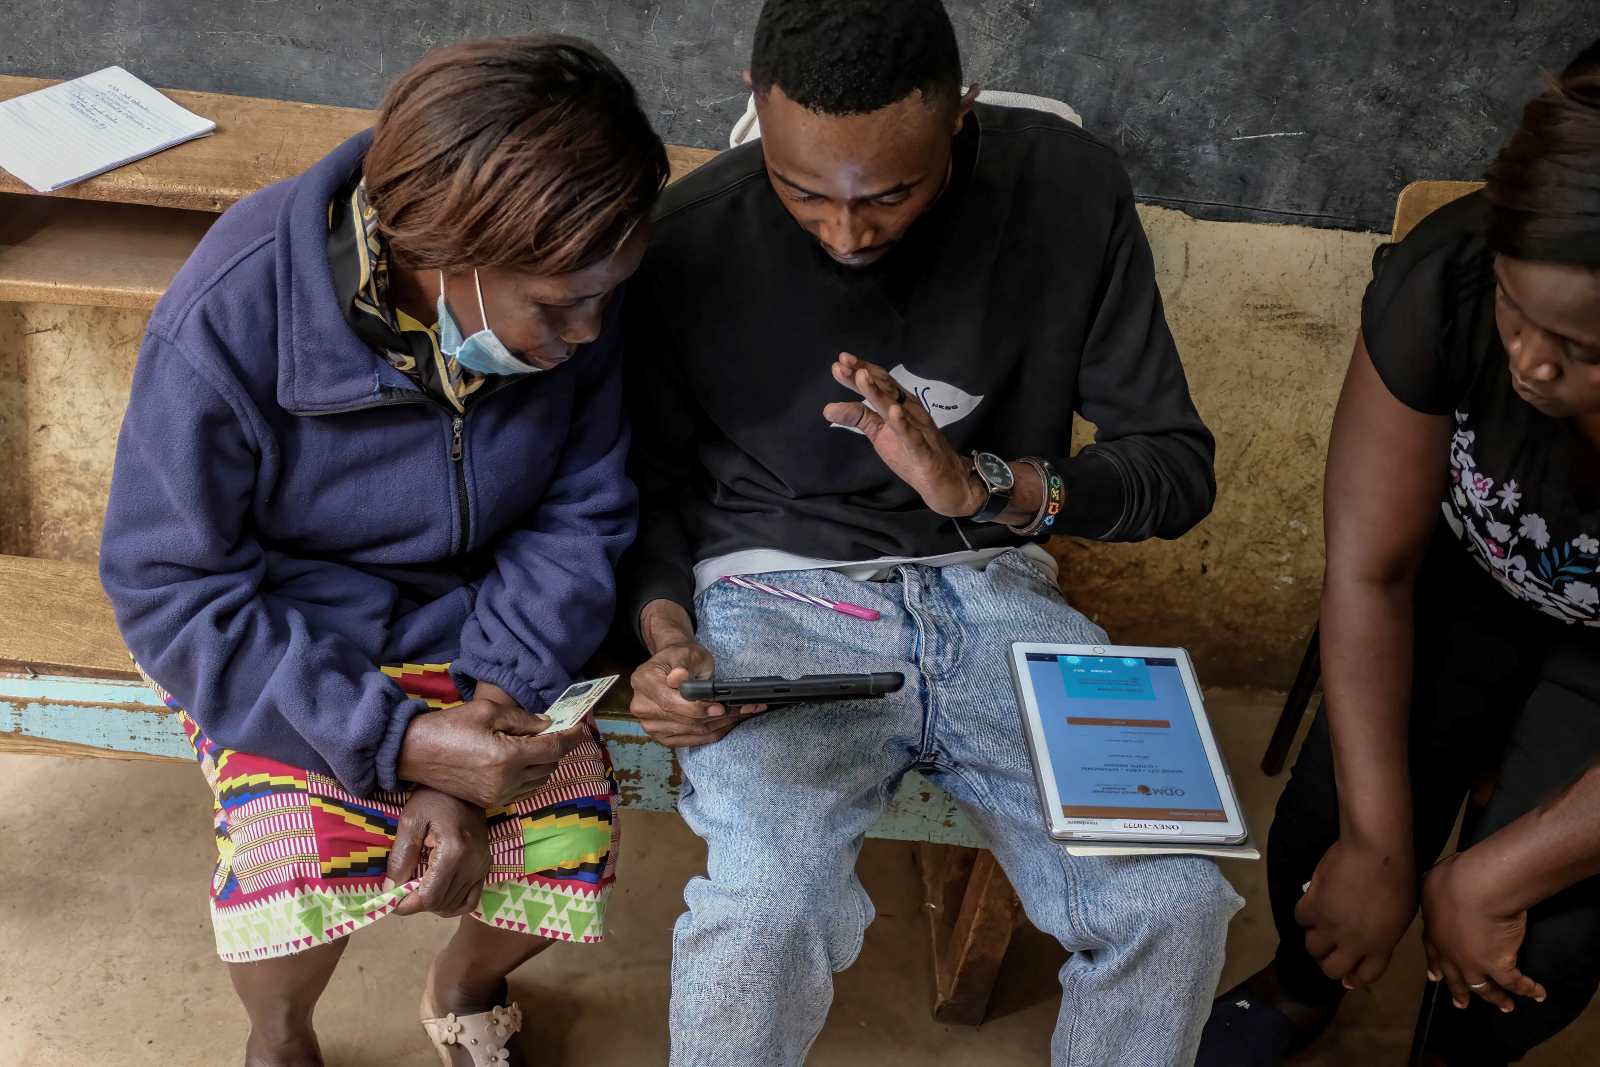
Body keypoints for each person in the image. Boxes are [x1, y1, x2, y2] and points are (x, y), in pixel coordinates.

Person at [618, 1, 1242, 1063]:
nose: (848, 232)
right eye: (802, 189)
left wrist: (981, 487)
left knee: (1175, 902)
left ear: (960, 113)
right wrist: (668, 635)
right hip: (776, 603)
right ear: (753, 105)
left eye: (892, 193)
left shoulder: (1068, 190)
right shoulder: (689, 238)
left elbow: (1176, 471)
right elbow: (649, 490)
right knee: (761, 908)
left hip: (1002, 589)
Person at [98, 37, 667, 1067]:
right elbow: (171, 585)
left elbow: (582, 513)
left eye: (604, 296)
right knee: (293, 858)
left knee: (562, 834)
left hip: (492, 630)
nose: (588, 331)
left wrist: (478, 734)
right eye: (556, 305)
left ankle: (465, 981)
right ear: (439, 248)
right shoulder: (235, 304)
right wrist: (395, 742)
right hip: (289, 641)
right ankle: (279, 1034)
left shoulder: (572, 284)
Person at [1199, 41, 1600, 1067]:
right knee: (1328, 826)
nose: (1531, 360)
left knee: (1546, 934)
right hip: (1458, 587)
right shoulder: (1447, 276)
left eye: (1585, 347)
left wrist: (1492, 875)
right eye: (1517, 307)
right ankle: (1298, 992)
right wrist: (1380, 842)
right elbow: (1370, 571)